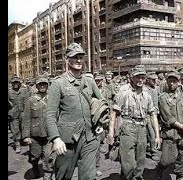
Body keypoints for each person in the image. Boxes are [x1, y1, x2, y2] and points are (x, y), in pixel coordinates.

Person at [45, 43, 104, 180]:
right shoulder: (58, 83)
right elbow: (50, 114)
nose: (78, 60)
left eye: (81, 57)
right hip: (67, 140)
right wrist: (56, 139)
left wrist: (99, 122)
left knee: (89, 176)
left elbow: (101, 104)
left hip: (89, 137)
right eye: (74, 57)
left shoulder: (89, 81)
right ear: (67, 59)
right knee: (64, 176)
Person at [107, 65, 161, 180]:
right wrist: (111, 133)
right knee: (128, 164)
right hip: (127, 128)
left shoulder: (147, 96)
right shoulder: (124, 94)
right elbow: (113, 113)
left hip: (142, 129)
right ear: (131, 78)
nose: (140, 80)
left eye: (142, 77)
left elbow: (153, 115)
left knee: (140, 162)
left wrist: (157, 135)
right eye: (137, 77)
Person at [156, 70, 183, 180]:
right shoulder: (163, 97)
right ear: (166, 82)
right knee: (167, 160)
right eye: (169, 81)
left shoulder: (182, 97)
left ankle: (179, 176)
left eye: (174, 81)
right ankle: (160, 169)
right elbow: (167, 117)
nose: (171, 83)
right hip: (171, 133)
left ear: (178, 82)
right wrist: (182, 126)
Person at [21, 76, 56, 180]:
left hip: (49, 133)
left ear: (47, 85)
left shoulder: (53, 99)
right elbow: (26, 119)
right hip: (35, 134)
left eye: (44, 84)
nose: (42, 86)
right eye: (40, 84)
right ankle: (35, 167)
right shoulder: (30, 100)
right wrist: (26, 136)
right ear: (36, 86)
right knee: (35, 155)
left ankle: (47, 174)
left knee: (48, 155)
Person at [8, 76, 30, 153]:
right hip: (13, 114)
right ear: (12, 84)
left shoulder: (24, 91)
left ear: (19, 83)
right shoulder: (9, 92)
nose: (15, 84)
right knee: (15, 129)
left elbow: (27, 102)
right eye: (14, 82)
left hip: (23, 112)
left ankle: (24, 140)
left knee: (24, 127)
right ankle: (17, 144)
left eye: (17, 82)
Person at [143, 71, 160, 161]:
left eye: (155, 79)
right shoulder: (144, 89)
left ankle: (153, 151)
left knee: (152, 134)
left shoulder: (155, 89)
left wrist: (156, 112)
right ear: (148, 80)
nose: (154, 81)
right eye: (152, 80)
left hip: (153, 115)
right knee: (145, 133)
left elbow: (157, 102)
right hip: (145, 114)